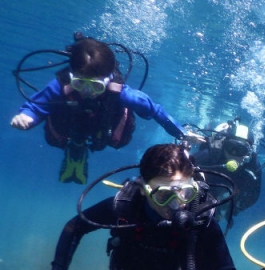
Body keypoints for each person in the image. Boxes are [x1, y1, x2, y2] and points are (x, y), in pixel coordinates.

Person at [49, 143, 237, 270]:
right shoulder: (125, 206)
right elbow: (74, 227)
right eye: (164, 194)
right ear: (142, 188)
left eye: (186, 192)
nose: (177, 203)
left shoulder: (200, 214)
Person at [11, 34, 202, 184]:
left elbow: (156, 111)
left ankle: (81, 147)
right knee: (54, 135)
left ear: (108, 79)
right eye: (80, 84)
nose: (87, 92)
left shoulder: (122, 93)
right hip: (69, 121)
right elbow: (35, 105)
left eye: (95, 86)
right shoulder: (61, 85)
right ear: (72, 76)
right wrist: (26, 117)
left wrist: (182, 133)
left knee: (118, 140)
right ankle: (75, 147)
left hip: (104, 126)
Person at [190, 118, 265, 227]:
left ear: (248, 154)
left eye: (240, 149)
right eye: (231, 147)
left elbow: (253, 195)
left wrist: (235, 209)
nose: (233, 154)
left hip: (225, 199)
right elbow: (182, 168)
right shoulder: (210, 155)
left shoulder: (252, 168)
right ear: (224, 145)